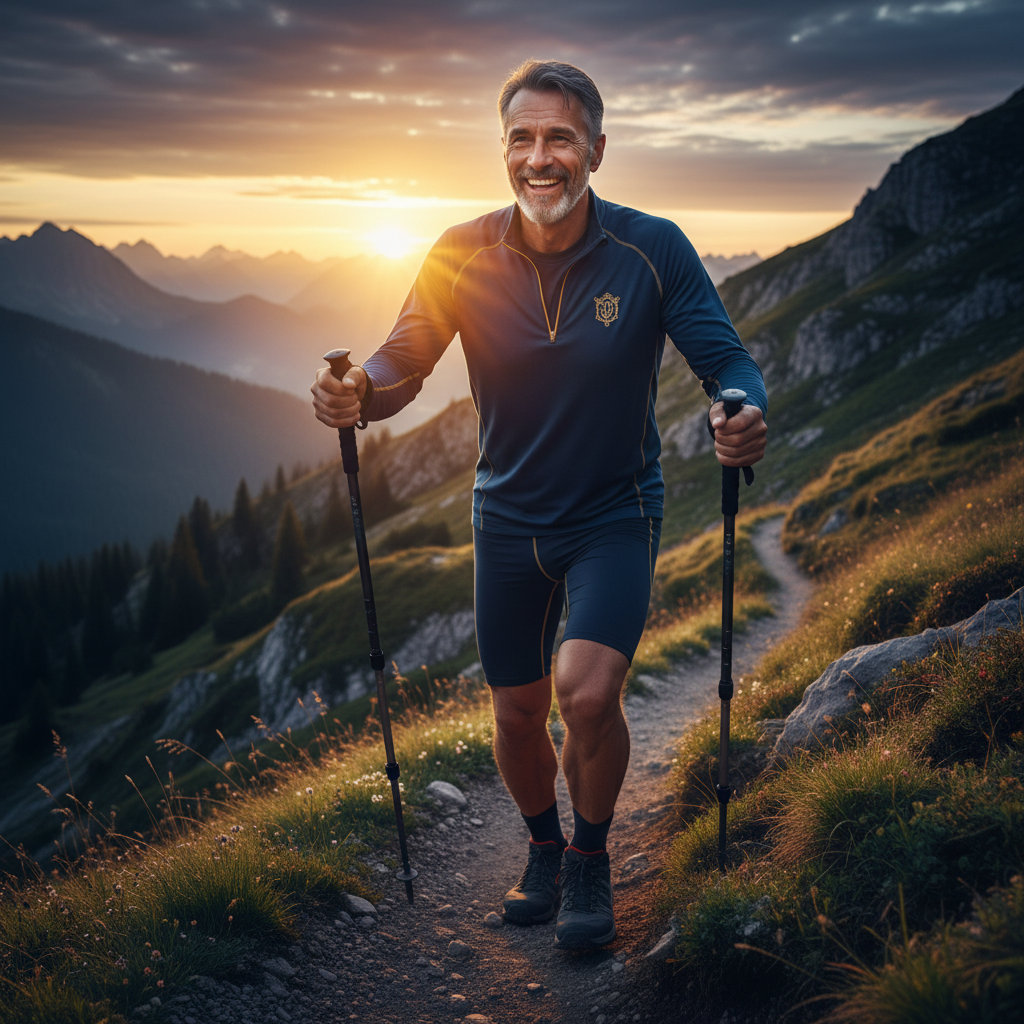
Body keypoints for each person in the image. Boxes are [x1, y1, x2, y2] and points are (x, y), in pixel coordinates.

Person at [311, 60, 767, 949]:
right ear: (504, 149)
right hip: (506, 517)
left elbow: (727, 360)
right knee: (518, 713)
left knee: (586, 696)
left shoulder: (651, 248)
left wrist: (743, 410)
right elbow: (401, 360)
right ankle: (544, 849)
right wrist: (354, 393)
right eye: (521, 137)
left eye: (560, 137)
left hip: (612, 513)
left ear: (596, 148)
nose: (540, 157)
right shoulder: (460, 251)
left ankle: (592, 859)